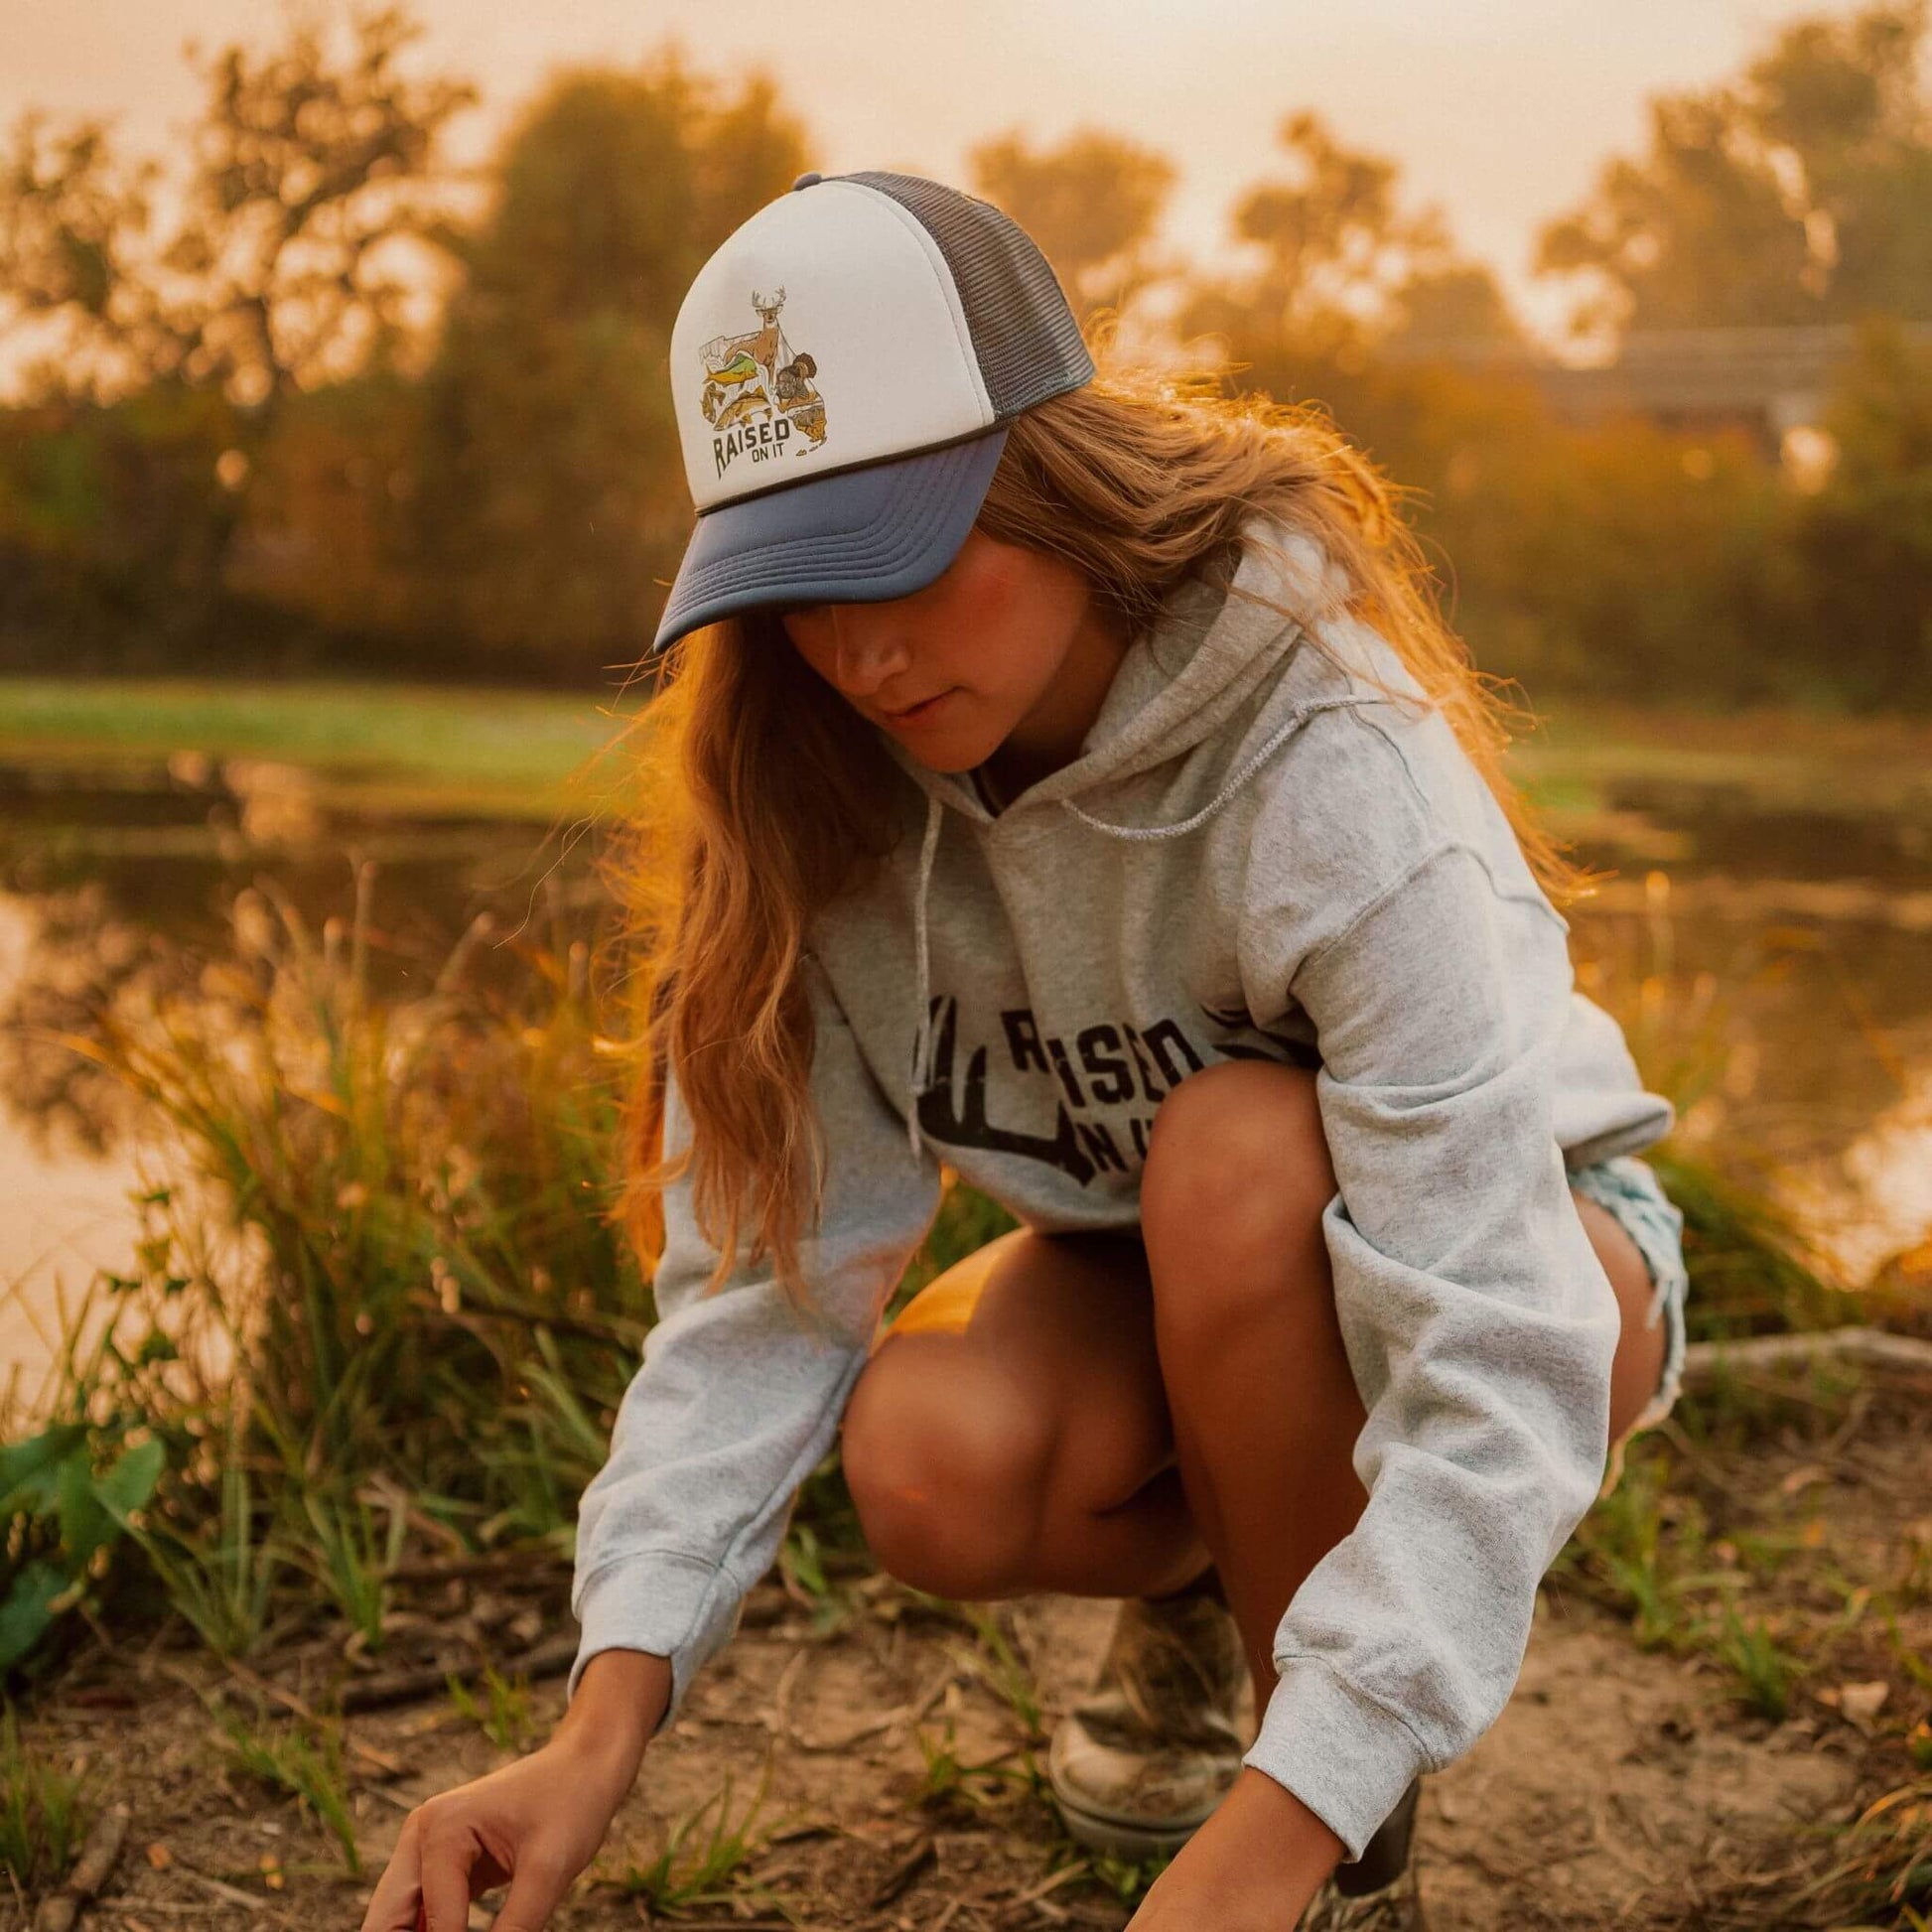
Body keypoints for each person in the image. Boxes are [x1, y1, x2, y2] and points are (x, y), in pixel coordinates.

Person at [359, 169, 1690, 1932]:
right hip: (1163, 1270)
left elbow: (1507, 1357)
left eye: (900, 555)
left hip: (1533, 1258)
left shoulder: (1327, 755)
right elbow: (760, 1302)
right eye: (797, 587)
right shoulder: (808, 796)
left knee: (1232, 1153)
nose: (861, 649)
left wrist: (1262, 1850)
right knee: (928, 1445)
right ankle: (1228, 1603)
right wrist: (597, 1730)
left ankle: (1346, 1842)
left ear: (1043, 471)